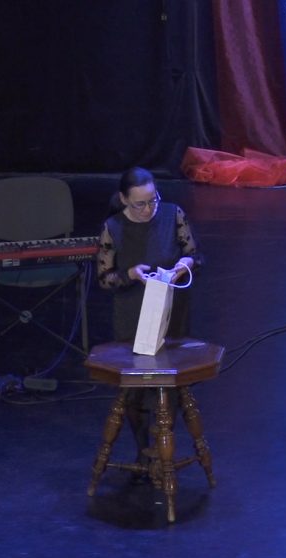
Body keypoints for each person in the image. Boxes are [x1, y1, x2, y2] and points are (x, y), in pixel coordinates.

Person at [97, 167, 203, 466]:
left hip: (171, 310)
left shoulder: (172, 214)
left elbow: (195, 254)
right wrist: (130, 274)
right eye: (139, 204)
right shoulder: (113, 227)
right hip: (133, 313)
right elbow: (104, 279)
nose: (148, 209)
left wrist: (186, 263)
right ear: (124, 200)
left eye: (152, 200)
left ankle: (163, 446)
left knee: (172, 384)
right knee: (135, 389)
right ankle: (143, 448)